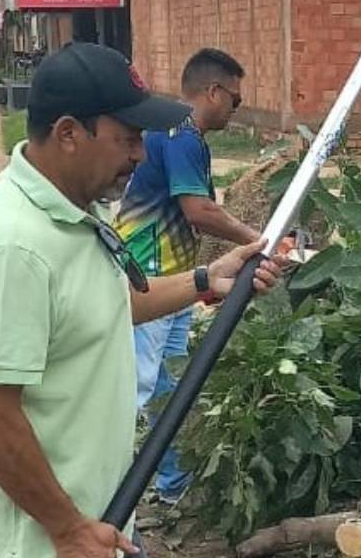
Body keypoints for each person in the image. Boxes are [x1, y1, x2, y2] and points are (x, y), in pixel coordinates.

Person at [0, 42, 292, 558]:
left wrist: (206, 279)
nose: (139, 154)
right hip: (43, 544)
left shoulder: (76, 208)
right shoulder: (14, 247)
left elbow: (110, 304)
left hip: (98, 523)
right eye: (128, 139)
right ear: (69, 133)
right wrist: (68, 528)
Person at [113, 48, 260, 504]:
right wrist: (258, 238)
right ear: (213, 92)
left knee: (169, 390)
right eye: (235, 101)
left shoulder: (179, 134)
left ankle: (173, 487)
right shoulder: (181, 134)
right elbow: (199, 211)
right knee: (136, 390)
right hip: (148, 274)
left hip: (175, 276)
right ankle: (108, 504)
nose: (236, 110)